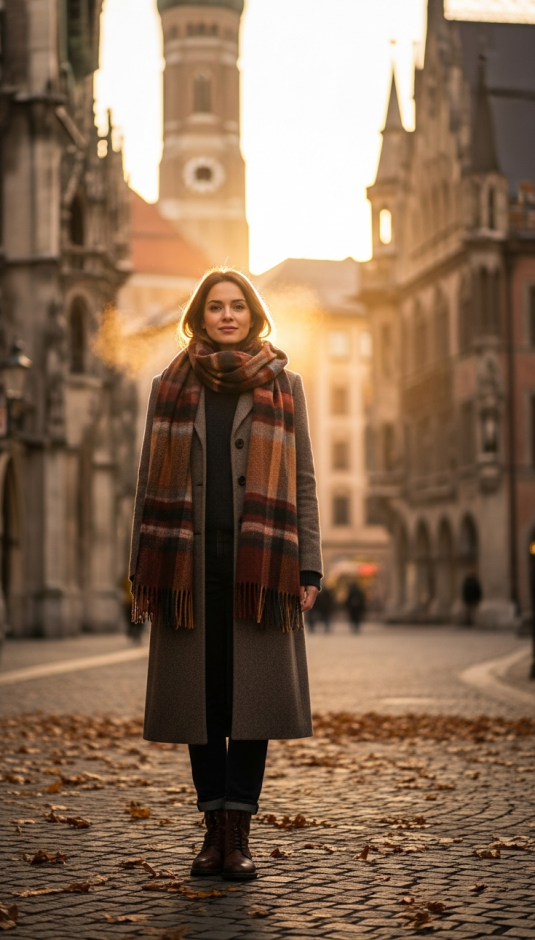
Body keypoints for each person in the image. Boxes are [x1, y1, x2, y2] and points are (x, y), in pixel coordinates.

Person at [129, 269, 322, 882]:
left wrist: (310, 563)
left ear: (254, 315)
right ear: (200, 316)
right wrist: (143, 569)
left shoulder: (284, 386)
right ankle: (211, 831)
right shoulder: (169, 385)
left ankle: (239, 833)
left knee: (250, 703)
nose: (228, 315)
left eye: (238, 306)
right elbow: (145, 484)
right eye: (216, 307)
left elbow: (305, 483)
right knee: (203, 699)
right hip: (188, 565)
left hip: (260, 566)